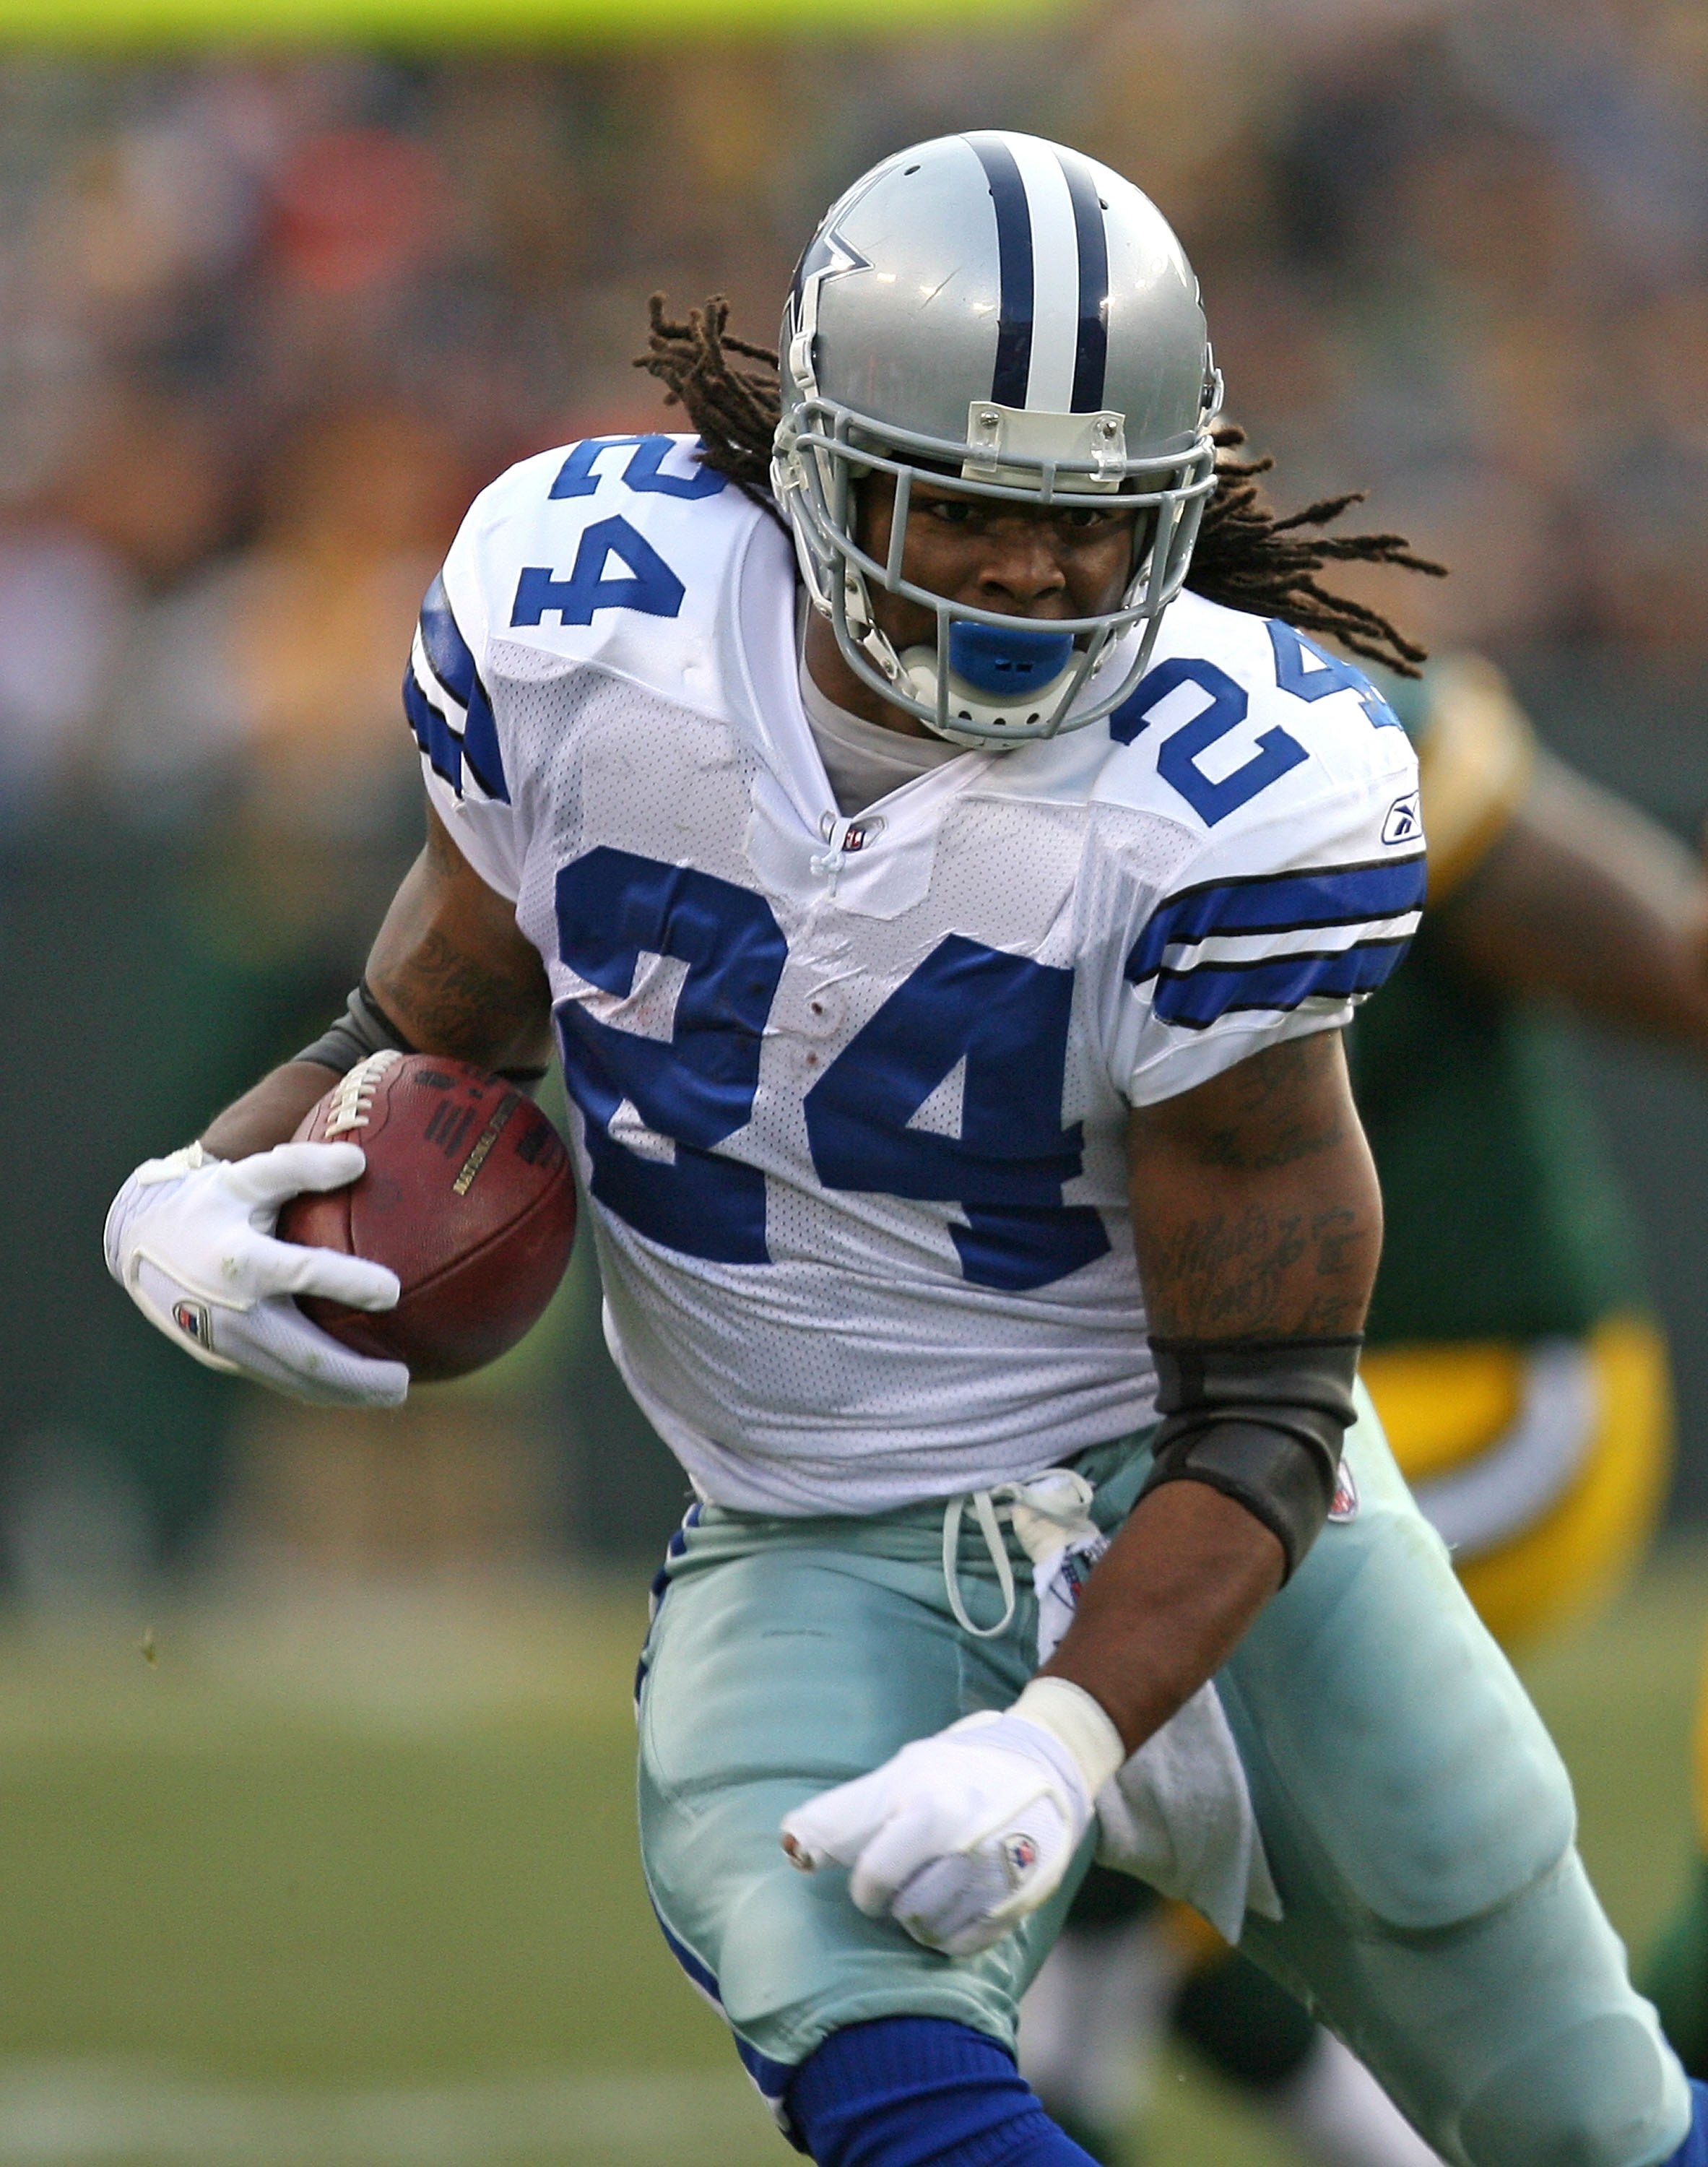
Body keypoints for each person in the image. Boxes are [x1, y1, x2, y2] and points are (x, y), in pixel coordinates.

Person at [103, 132, 1707, 2167]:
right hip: (807, 1526)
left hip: (1196, 1509)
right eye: (967, 508)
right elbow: (424, 1032)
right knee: (874, 2054)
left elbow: (1270, 1402)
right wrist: (177, 1191)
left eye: (1087, 520)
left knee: (1589, 2120)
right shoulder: (588, 619)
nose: (1036, 576)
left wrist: (1060, 1737)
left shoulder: (1238, 790)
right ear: (816, 466)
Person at [1024, 649, 1708, 2165]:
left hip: (1481, 1390)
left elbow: (1675, 960)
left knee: (1094, 1791)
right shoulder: (883, 787)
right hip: (1195, 1415)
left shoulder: (1318, 736)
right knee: (1125, 1825)